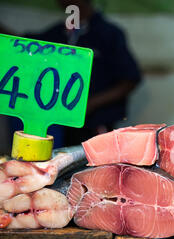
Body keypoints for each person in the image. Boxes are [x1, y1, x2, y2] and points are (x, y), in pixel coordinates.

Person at [1, 0, 141, 146]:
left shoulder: (110, 34)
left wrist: (91, 103)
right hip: (59, 126)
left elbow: (129, 80)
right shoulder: (58, 32)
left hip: (95, 125)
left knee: (92, 164)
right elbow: (26, 45)